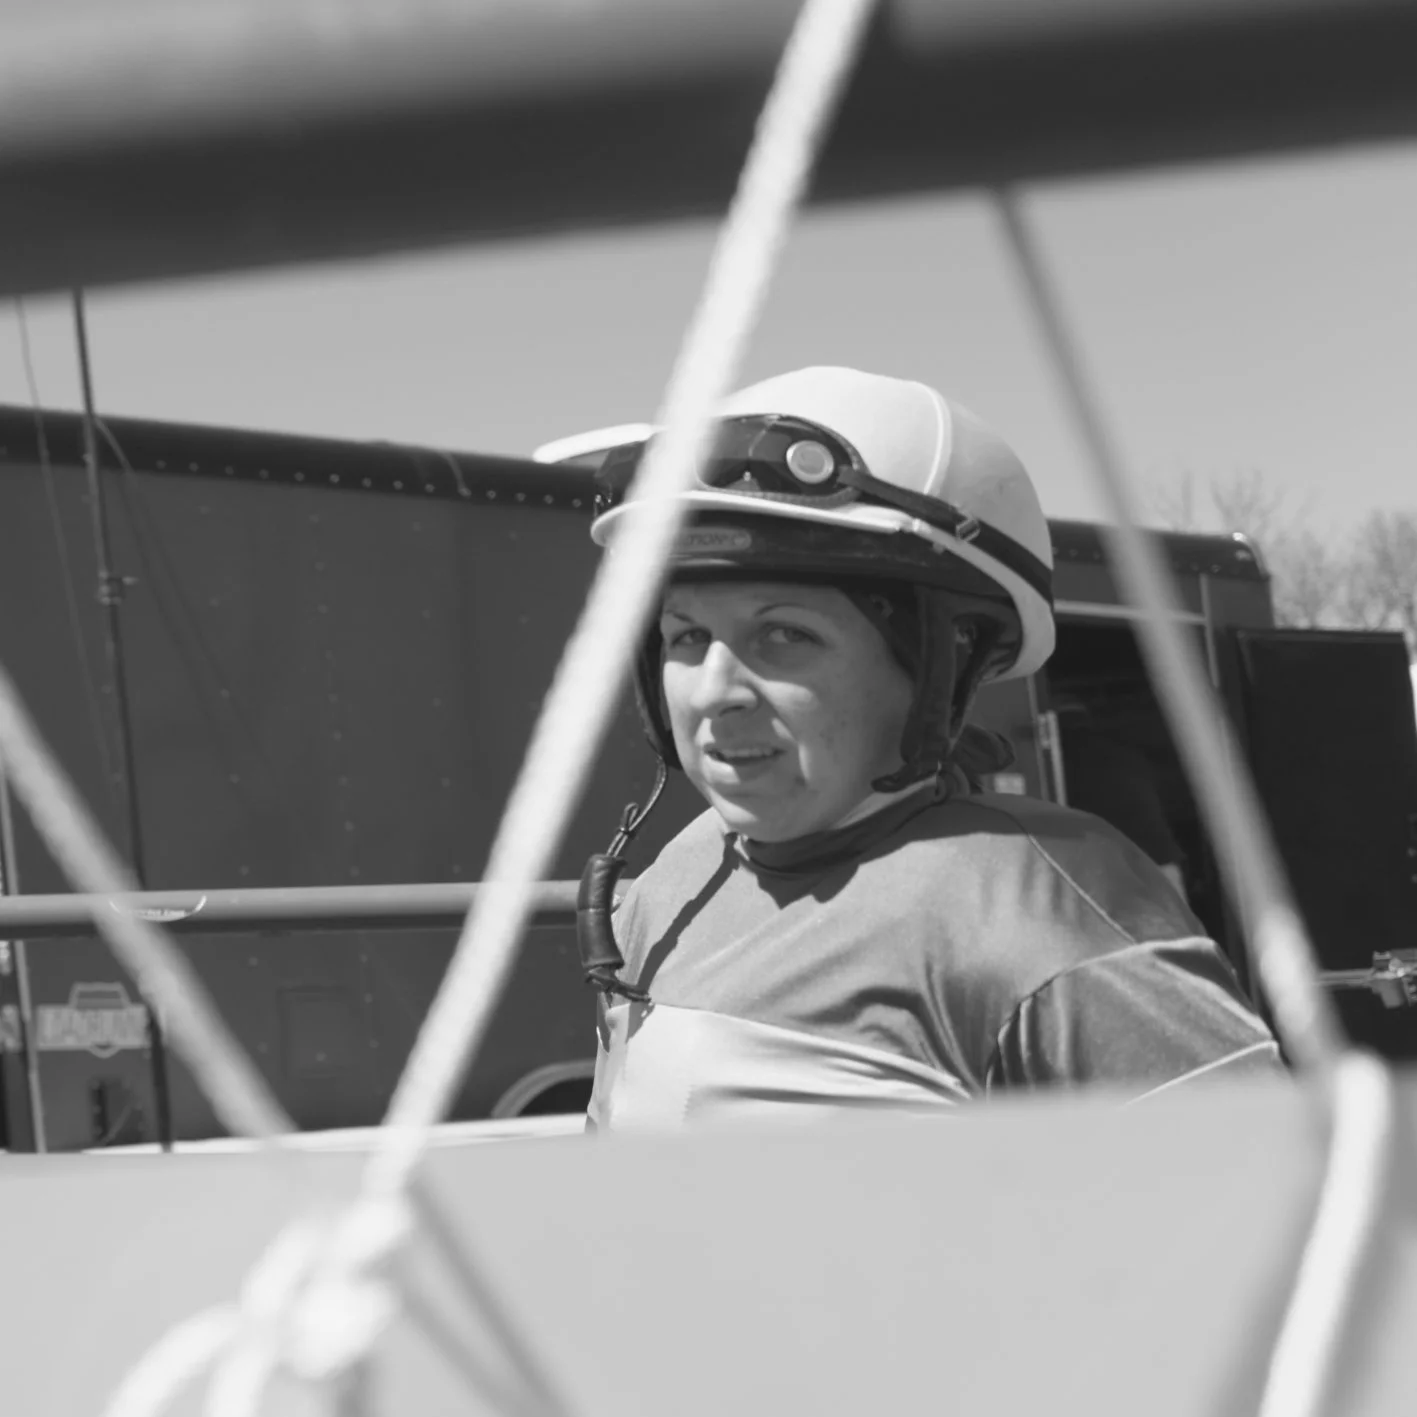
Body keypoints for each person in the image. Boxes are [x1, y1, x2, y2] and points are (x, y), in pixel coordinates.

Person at [568, 366, 1280, 1132]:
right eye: (686, 636)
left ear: (939, 663)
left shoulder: (1043, 915)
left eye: (784, 634)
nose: (713, 690)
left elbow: (1279, 1193)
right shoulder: (674, 878)